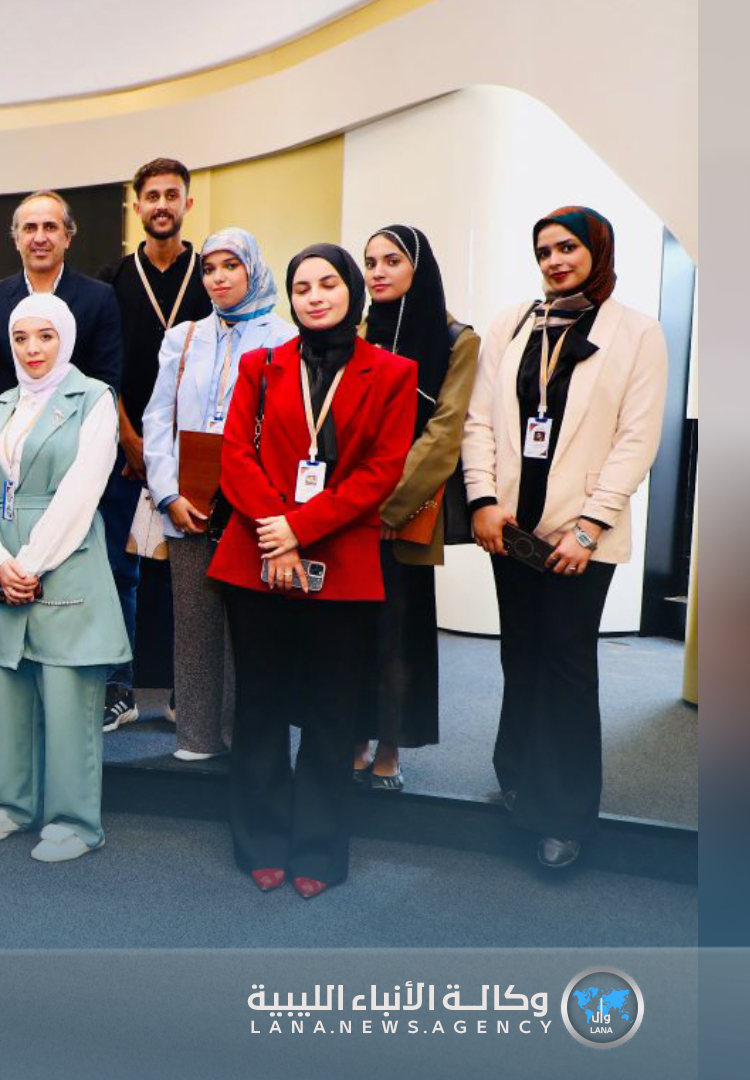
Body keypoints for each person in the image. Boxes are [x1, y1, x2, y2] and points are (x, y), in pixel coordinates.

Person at [463, 207, 667, 870]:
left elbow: (637, 438)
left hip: (580, 534)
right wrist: (482, 500)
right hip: (512, 528)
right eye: (544, 251)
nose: (555, 261)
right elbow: (479, 421)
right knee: (520, 653)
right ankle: (518, 773)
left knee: (567, 663)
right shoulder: (511, 323)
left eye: (568, 247)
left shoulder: (637, 332)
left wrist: (590, 526)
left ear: (597, 250)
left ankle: (563, 815)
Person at [208, 245, 414, 899]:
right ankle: (260, 838)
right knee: (260, 703)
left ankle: (319, 848)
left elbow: (382, 471)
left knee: (331, 709)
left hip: (342, 560)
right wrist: (277, 531)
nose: (315, 296)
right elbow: (236, 456)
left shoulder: (393, 372)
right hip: (257, 555)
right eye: (302, 287)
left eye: (328, 284)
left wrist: (300, 528)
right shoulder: (261, 365)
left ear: (353, 291)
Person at [0, 190, 125, 746]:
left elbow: (107, 380)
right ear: (15, 237)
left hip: (69, 467)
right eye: (28, 227)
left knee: (62, 625)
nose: (39, 236)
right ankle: (8, 719)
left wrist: (46, 436)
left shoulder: (98, 298)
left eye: (50, 226)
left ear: (68, 235)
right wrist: (13, 436)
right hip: (8, 471)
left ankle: (80, 711)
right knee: (9, 631)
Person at [0, 294, 125, 863]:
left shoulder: (94, 399)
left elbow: (81, 492)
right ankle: (10, 804)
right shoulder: (1, 404)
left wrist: (28, 565)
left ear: (66, 338)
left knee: (67, 698)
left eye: (45, 336)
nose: (32, 349)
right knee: (9, 691)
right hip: (3, 564)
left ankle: (75, 822)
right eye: (21, 338)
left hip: (63, 561)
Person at [141, 228, 295, 762]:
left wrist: (263, 501)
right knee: (194, 621)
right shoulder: (183, 337)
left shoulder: (285, 337)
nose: (218, 278)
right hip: (189, 497)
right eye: (209, 268)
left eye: (231, 265)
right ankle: (197, 736)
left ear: (253, 269)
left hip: (253, 503)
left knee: (249, 624)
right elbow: (157, 417)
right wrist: (167, 493)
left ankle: (243, 737)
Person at [353, 225, 481, 792]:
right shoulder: (356, 332)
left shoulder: (456, 339)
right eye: (370, 262)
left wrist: (389, 505)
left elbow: (445, 431)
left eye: (392, 260)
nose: (378, 272)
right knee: (351, 631)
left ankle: (389, 746)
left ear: (418, 267)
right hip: (348, 511)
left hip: (407, 509)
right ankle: (353, 738)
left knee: (399, 633)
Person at [103, 158, 215, 722]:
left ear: (188, 203)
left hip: (194, 452)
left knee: (190, 575)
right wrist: (130, 440)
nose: (162, 205)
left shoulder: (210, 274)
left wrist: (170, 453)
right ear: (137, 206)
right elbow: (103, 369)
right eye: (152, 196)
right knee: (118, 571)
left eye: (172, 195)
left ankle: (185, 695)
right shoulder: (112, 279)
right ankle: (119, 689)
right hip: (125, 451)